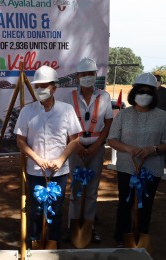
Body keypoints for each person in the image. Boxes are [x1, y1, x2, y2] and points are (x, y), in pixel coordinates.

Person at [14, 66, 81, 248]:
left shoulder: (66, 110)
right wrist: (37, 159)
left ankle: (53, 244)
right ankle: (34, 242)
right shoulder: (27, 111)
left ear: (54, 88)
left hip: (59, 171)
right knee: (35, 208)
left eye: (44, 86)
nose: (40, 90)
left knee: (56, 209)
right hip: (35, 170)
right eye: (38, 86)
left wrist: (60, 160)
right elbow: (20, 141)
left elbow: (74, 140)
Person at [107, 72, 166, 248]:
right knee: (125, 203)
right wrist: (129, 149)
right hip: (127, 167)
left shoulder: (163, 116)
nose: (144, 95)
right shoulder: (124, 115)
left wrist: (152, 149)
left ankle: (140, 234)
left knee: (146, 204)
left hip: (152, 169)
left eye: (149, 92)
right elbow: (112, 139)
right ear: (134, 93)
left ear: (154, 94)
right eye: (141, 91)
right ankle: (121, 236)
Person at [63, 58, 113, 243]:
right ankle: (73, 227)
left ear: (95, 75)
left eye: (90, 74)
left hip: (96, 148)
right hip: (75, 148)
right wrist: (75, 146)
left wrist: (96, 146)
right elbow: (65, 125)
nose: (87, 78)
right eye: (83, 74)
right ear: (77, 76)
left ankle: (89, 227)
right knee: (76, 189)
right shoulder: (69, 97)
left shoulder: (104, 97)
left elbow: (108, 123)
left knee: (91, 190)